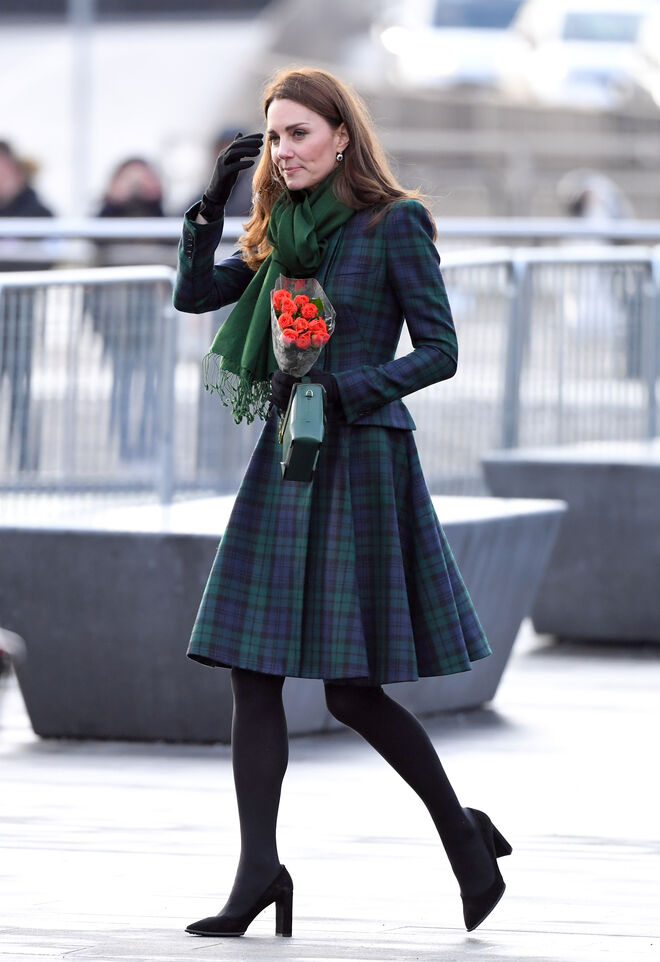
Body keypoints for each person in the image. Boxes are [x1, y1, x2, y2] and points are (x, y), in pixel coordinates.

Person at [173, 66, 511, 938]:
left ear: (341, 137)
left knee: (352, 692)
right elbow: (195, 295)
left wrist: (349, 387)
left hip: (360, 454)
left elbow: (440, 350)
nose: (283, 150)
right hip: (290, 454)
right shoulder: (281, 229)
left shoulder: (394, 223)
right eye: (273, 136)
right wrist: (209, 207)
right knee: (251, 670)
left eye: (299, 133)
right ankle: (258, 872)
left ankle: (462, 835)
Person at [89, 157, 172, 463]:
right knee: (121, 382)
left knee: (152, 384)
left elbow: (172, 237)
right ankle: (124, 447)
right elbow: (94, 237)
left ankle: (148, 446)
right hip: (117, 318)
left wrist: (154, 198)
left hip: (152, 316)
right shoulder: (108, 214)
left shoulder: (157, 213)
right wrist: (114, 200)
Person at [0, 140, 54, 472]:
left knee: (21, 391)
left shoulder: (33, 206)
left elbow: (47, 250)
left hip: (19, 316)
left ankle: (25, 465)